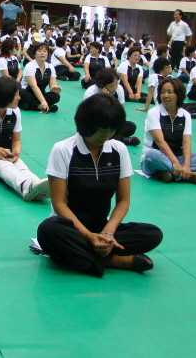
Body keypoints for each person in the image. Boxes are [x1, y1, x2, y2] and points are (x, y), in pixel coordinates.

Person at [36, 94, 163, 277]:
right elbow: (59, 204)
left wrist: (108, 233)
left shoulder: (119, 150)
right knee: (48, 230)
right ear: (87, 124)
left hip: (103, 228)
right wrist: (89, 236)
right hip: (70, 229)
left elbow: (123, 201)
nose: (108, 135)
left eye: (112, 130)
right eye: (103, 129)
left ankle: (85, 257)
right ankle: (116, 260)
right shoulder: (63, 150)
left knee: (152, 234)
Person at [140, 78, 196, 184]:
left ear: (178, 94)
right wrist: (175, 163)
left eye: (170, 92)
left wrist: (187, 165)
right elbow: (160, 142)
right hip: (156, 158)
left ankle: (171, 173)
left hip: (178, 158)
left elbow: (186, 142)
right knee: (151, 154)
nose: (165, 95)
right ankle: (187, 176)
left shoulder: (185, 115)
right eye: (162, 92)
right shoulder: (154, 113)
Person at [83, 68, 140, 146]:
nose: (115, 87)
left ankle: (111, 137)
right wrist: (104, 98)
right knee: (93, 132)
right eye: (112, 85)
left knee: (131, 127)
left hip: (110, 122)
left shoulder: (119, 89)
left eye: (116, 83)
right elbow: (91, 117)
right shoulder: (90, 93)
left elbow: (121, 112)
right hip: (95, 123)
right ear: (102, 86)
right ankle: (123, 140)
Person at [19, 42, 62, 113]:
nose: (42, 53)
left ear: (48, 54)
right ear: (35, 54)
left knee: (56, 96)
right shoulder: (29, 66)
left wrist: (55, 88)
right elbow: (33, 86)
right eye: (39, 51)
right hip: (28, 93)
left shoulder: (50, 67)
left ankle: (31, 106)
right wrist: (43, 101)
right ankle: (40, 106)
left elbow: (52, 85)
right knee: (21, 92)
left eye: (45, 51)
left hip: (41, 94)